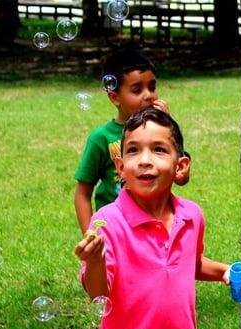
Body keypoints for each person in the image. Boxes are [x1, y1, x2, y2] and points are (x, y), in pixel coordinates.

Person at [75, 108, 241, 329]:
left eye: (159, 150)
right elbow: (99, 291)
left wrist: (225, 270)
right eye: (133, 151)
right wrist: (94, 260)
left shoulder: (191, 216)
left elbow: (190, 263)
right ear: (121, 168)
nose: (145, 160)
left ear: (180, 166)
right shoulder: (109, 221)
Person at [74, 49, 177, 234]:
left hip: (155, 228)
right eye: (137, 90)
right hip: (116, 231)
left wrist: (168, 128)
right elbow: (82, 192)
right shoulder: (101, 138)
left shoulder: (163, 133)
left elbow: (181, 176)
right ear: (114, 97)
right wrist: (90, 234)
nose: (149, 95)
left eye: (152, 87)